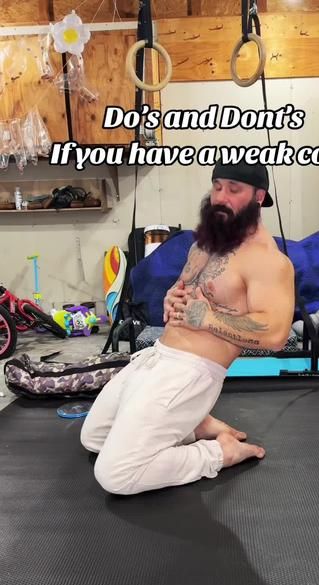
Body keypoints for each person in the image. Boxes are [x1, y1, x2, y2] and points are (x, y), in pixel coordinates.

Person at [81, 159, 295, 495]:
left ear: (258, 196)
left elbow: (275, 334)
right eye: (217, 186)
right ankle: (195, 424)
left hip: (191, 373)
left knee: (115, 475)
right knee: (93, 437)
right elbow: (186, 290)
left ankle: (220, 451)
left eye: (233, 190)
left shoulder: (268, 261)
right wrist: (172, 297)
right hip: (158, 357)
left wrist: (207, 319)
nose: (221, 197)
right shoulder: (205, 243)